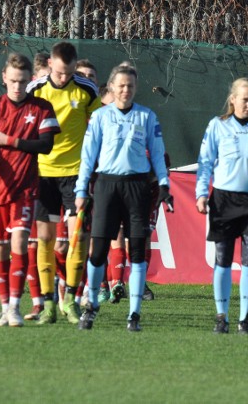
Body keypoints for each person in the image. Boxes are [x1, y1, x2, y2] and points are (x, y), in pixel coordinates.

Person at [74, 64, 172, 332]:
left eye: (130, 86)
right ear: (112, 87)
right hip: (107, 186)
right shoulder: (100, 117)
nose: (126, 90)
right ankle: (91, 307)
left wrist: (164, 184)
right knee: (98, 252)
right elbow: (87, 157)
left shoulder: (147, 117)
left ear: (135, 88)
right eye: (121, 85)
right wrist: (81, 190)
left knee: (137, 253)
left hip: (137, 188)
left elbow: (158, 151)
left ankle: (134, 314)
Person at [0, 54, 60, 326]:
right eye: (12, 81)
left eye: (22, 81)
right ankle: (4, 306)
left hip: (25, 189)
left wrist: (9, 140)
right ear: (4, 78)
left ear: (30, 80)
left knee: (20, 243)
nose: (17, 86)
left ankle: (14, 306)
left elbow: (45, 146)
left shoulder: (42, 108)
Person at [195, 78, 248, 334]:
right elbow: (205, 162)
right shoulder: (217, 125)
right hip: (224, 199)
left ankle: (245, 317)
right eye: (245, 99)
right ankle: (222, 316)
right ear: (233, 99)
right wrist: (201, 193)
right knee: (222, 259)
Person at [27, 42, 100, 324]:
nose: (62, 78)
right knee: (44, 239)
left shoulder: (85, 89)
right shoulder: (35, 88)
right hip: (43, 173)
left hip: (75, 175)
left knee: (78, 238)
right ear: (49, 66)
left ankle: (70, 299)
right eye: (58, 72)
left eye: (67, 73)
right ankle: (47, 304)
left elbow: (99, 122)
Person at [23, 52, 53, 320]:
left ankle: (65, 297)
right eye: (46, 78)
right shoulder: (28, 108)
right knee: (31, 242)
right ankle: (38, 301)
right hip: (32, 180)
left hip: (62, 177)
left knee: (62, 244)